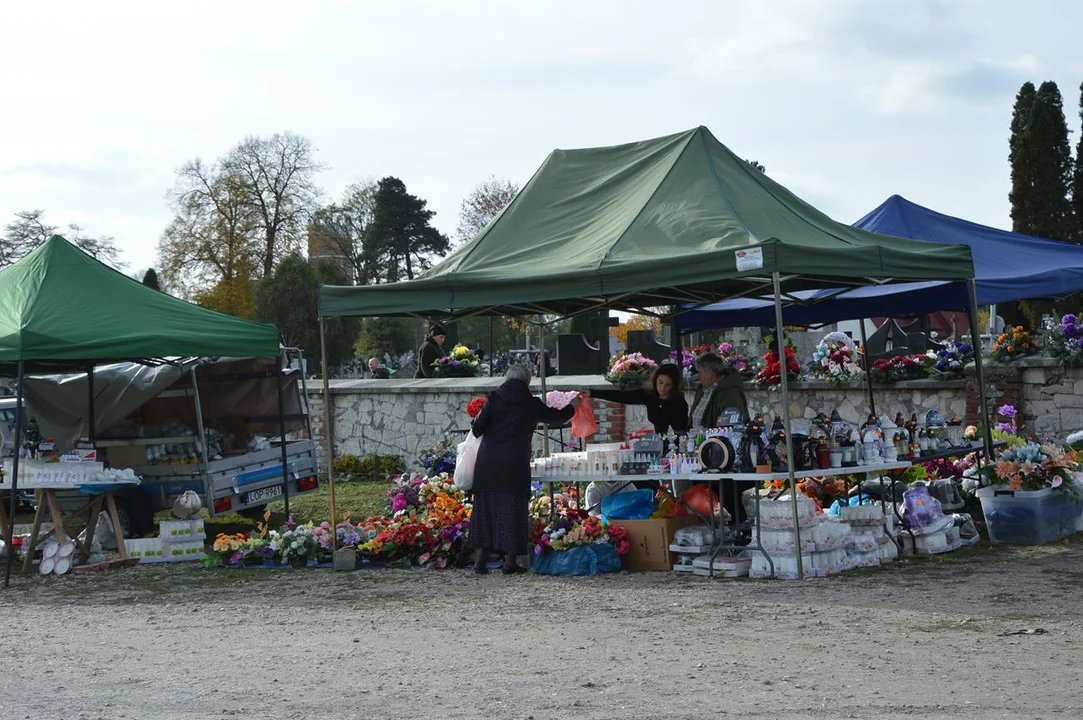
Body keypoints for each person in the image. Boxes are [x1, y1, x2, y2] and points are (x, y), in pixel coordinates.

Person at [467, 363, 581, 575]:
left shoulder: (494, 399)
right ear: (527, 382)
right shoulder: (530, 403)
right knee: (512, 510)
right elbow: (556, 417)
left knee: (484, 510)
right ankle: (509, 562)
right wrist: (573, 405)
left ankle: (480, 561)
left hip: (488, 462)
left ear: (507, 379)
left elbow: (476, 429)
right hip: (514, 463)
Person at [585, 363, 689, 436]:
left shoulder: (679, 403)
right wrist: (592, 393)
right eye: (660, 382)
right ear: (655, 380)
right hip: (659, 443)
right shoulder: (650, 395)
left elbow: (680, 431)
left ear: (673, 386)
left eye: (668, 384)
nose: (662, 387)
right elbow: (622, 396)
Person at [688, 351, 749, 428]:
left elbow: (731, 423)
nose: (698, 376)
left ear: (710, 373)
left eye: (700, 372)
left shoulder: (729, 393)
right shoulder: (703, 389)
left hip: (717, 439)